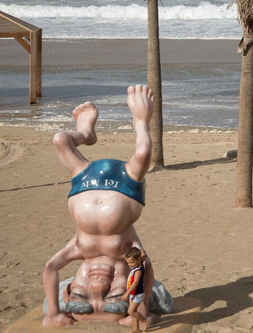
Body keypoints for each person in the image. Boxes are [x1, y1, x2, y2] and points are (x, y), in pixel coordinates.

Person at [42, 85, 156, 327]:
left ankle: (84, 133)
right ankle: (140, 122)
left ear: (70, 287)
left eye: (80, 297)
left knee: (60, 139)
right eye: (113, 298)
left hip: (84, 180)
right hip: (126, 184)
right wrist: (143, 312)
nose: (96, 288)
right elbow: (145, 268)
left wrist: (53, 313)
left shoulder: (79, 248)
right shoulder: (126, 252)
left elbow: (51, 267)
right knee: (144, 152)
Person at [123, 247, 148, 332]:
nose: (130, 265)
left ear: (138, 259)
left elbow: (136, 283)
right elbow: (144, 254)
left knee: (131, 311)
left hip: (138, 294)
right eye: (128, 263)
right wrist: (140, 249)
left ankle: (144, 320)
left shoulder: (138, 271)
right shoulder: (140, 261)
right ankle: (136, 328)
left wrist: (126, 293)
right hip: (133, 293)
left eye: (132, 262)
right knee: (134, 312)